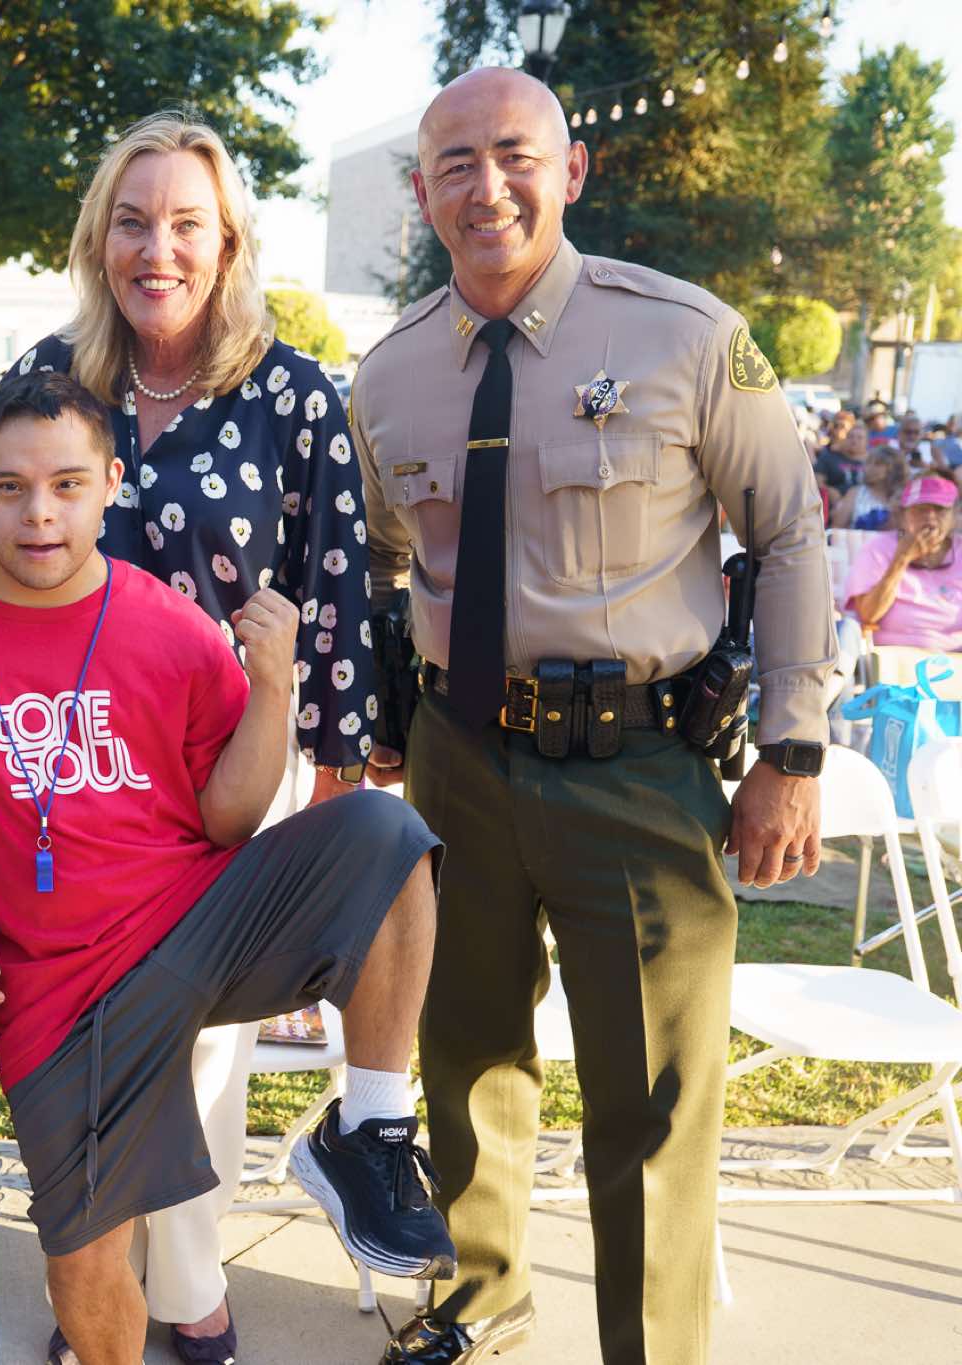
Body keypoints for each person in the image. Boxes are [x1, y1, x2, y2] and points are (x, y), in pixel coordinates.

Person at [355, 68, 832, 1365]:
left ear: (571, 171)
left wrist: (791, 752)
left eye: (515, 154)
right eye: (454, 163)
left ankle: (652, 1347)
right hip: (456, 760)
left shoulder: (684, 336)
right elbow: (390, 558)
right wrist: (390, 706)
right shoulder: (388, 374)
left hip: (635, 760)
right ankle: (481, 1296)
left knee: (653, 1094)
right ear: (422, 192)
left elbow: (788, 532)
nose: (487, 186)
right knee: (462, 1047)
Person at [0, 373, 451, 1365]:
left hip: (199, 926)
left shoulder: (167, 622)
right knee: (82, 1264)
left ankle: (368, 1135)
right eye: (8, 487)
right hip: (56, 991)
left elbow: (228, 817)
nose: (39, 513)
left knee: (385, 831)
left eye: (67, 485)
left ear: (111, 484)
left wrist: (271, 686)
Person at [2, 109, 373, 1364]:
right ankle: (113, 1284)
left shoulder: (292, 393)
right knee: (96, 1025)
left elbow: (335, 588)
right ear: (96, 239)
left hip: (235, 759)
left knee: (202, 1034)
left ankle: (188, 1286)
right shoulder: (52, 378)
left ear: (227, 245)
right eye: (131, 222)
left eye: (183, 225)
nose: (154, 249)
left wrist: (334, 781)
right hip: (73, 762)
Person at [845, 474, 962, 650]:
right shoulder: (878, 548)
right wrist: (901, 559)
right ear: (902, 515)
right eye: (920, 509)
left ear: (954, 515)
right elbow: (868, 615)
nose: (930, 517)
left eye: (940, 509)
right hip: (895, 655)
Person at [830, 446, 907, 530]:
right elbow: (837, 528)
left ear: (893, 469)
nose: (870, 468)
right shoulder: (855, 493)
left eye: (878, 464)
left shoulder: (902, 496)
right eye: (868, 463)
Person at [814, 419, 867, 496]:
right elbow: (817, 482)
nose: (854, 441)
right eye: (850, 436)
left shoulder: (872, 461)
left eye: (860, 438)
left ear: (866, 442)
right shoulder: (829, 457)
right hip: (835, 500)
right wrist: (829, 491)